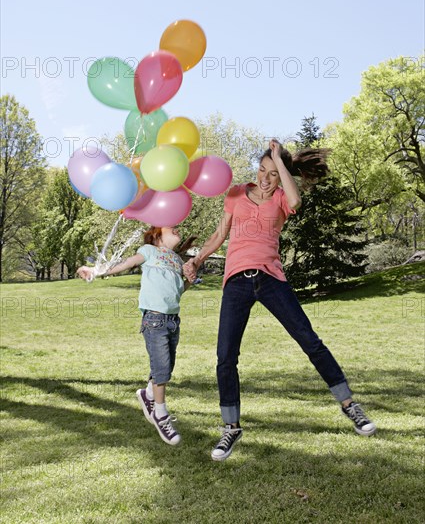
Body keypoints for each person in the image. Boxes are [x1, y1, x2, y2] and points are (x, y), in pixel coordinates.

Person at [184, 139, 376, 462]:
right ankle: (231, 427)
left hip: (271, 279)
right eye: (262, 170)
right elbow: (220, 234)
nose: (265, 178)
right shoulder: (234, 194)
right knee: (225, 356)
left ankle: (349, 404)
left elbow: (297, 200)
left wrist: (278, 158)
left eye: (273, 173)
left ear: (281, 176)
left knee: (309, 340)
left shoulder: (282, 200)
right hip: (236, 283)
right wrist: (197, 259)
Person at [77, 226, 193, 446]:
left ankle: (147, 393)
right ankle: (160, 414)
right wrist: (96, 271)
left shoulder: (177, 260)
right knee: (161, 369)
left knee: (167, 367)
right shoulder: (149, 251)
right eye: (172, 229)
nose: (178, 230)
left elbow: (177, 290)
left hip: (172, 319)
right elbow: (126, 264)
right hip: (154, 319)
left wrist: (188, 280)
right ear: (158, 235)